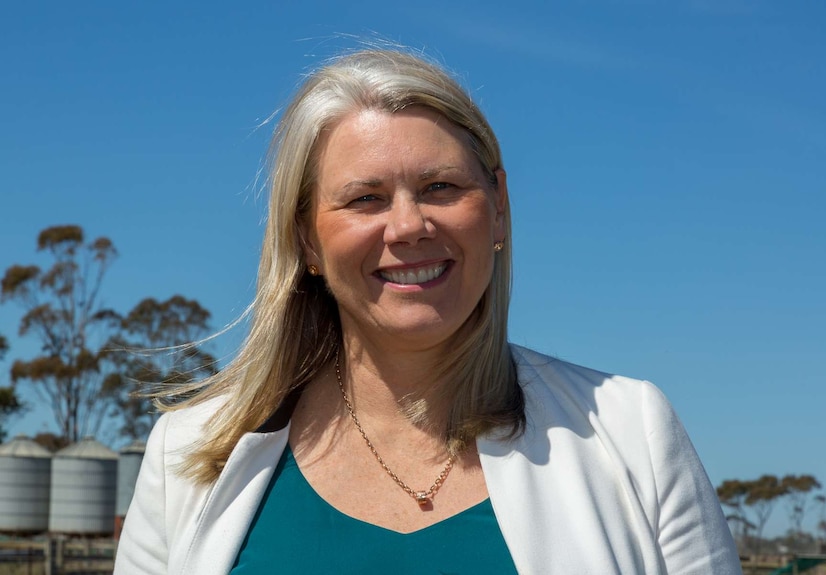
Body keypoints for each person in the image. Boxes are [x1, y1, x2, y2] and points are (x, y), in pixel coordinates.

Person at [114, 48, 741, 575]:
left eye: (441, 187)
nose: (409, 225)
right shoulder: (189, 455)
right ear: (306, 239)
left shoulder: (631, 434)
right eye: (365, 198)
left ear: (497, 207)